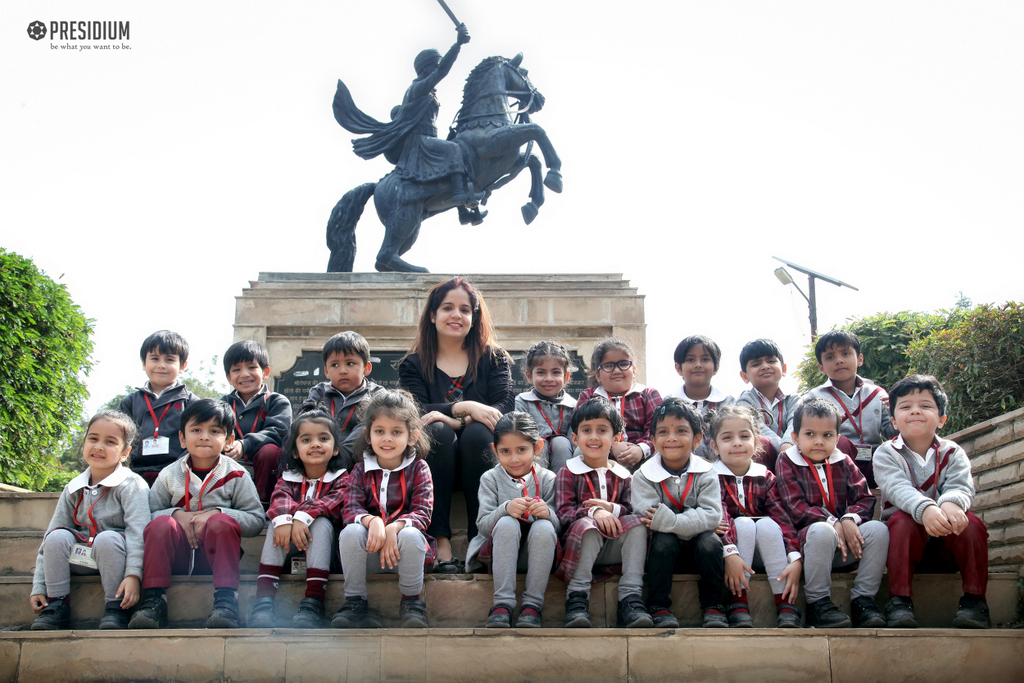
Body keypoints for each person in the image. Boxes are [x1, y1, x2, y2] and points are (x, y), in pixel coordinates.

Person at [398, 276, 514, 572]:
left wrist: (454, 417)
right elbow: (417, 410)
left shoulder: (495, 359)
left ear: (474, 318)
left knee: (477, 432)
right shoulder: (413, 364)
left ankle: (480, 536)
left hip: (481, 455)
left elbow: (504, 408)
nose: (456, 315)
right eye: (448, 307)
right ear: (433, 314)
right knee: (436, 431)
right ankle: (440, 538)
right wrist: (466, 406)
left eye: (465, 309)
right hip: (437, 459)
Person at [129, 399, 265, 630]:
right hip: (176, 558)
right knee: (161, 524)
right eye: (196, 430)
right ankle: (154, 600)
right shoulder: (168, 475)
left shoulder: (237, 475)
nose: (204, 437)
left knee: (221, 521)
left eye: (214, 431)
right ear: (182, 438)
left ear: (228, 440)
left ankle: (226, 601)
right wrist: (176, 514)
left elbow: (256, 519)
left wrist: (217, 513)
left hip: (215, 559)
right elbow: (147, 515)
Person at [874, 375, 990, 629]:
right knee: (902, 520)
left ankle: (974, 600)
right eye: (905, 406)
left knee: (971, 524)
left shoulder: (952, 452)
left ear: (942, 419)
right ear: (893, 420)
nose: (915, 410)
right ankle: (900, 600)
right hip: (904, 549)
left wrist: (951, 503)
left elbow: (961, 485)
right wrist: (926, 508)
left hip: (946, 548)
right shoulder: (886, 453)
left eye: (925, 406)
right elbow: (896, 488)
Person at [349, 23, 485, 225]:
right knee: (455, 151)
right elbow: (442, 72)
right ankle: (458, 195)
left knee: (456, 152)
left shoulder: (428, 92)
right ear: (426, 67)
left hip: (428, 137)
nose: (436, 68)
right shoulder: (417, 88)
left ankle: (463, 213)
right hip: (419, 143)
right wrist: (457, 45)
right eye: (434, 65)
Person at [30, 411, 150, 630]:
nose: (99, 447)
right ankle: (57, 605)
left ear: (125, 452)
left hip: (117, 560)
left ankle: (116, 607)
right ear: (84, 443)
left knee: (107, 539)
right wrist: (39, 585)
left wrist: (134, 575)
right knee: (56, 536)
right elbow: (49, 538)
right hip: (83, 558)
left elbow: (138, 534)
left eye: (110, 442)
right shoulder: (73, 487)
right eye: (93, 439)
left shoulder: (132, 485)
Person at [774, 398, 888, 628]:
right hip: (808, 545)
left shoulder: (843, 461)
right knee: (821, 530)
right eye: (810, 434)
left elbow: (865, 498)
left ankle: (863, 599)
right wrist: (831, 521)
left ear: (838, 438)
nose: (818, 441)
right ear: (795, 437)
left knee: (878, 529)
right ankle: (818, 602)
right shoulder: (787, 460)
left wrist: (848, 519)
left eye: (827, 435)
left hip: (844, 544)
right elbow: (794, 506)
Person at [333, 390, 434, 629]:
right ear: (368, 436)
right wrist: (372, 521)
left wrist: (394, 528)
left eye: (396, 432)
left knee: (410, 534)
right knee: (350, 532)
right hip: (369, 552)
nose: (387, 439)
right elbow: (349, 509)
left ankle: (411, 602)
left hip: (405, 556)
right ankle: (355, 601)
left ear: (412, 436)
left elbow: (422, 512)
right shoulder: (359, 470)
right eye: (379, 431)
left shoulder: (419, 468)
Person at [555, 397, 651, 628]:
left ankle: (630, 599)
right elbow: (562, 513)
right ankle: (577, 597)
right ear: (575, 438)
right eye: (586, 430)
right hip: (579, 548)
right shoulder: (568, 472)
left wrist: (613, 509)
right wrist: (594, 512)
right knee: (587, 527)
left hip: (615, 548)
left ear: (616, 438)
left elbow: (632, 507)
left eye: (602, 430)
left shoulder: (626, 476)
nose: (594, 437)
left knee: (638, 523)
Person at [248, 409, 348, 629]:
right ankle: (264, 601)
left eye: (323, 438)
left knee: (321, 523)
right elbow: (279, 500)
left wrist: (303, 515)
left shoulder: (342, 478)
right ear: (294, 451)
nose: (315, 444)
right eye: (306, 439)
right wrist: (286, 519)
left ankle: (313, 602)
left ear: (335, 449)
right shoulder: (287, 478)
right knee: (278, 523)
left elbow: (335, 502)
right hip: (290, 544)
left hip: (326, 550)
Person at [632, 398, 726, 628]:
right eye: (663, 432)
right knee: (664, 539)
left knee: (710, 541)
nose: (672, 438)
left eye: (681, 431)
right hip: (662, 552)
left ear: (697, 439)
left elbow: (713, 515)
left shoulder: (706, 473)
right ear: (653, 440)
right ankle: (658, 605)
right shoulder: (643, 475)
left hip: (699, 549)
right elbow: (651, 517)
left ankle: (714, 606)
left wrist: (671, 521)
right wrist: (693, 521)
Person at [708, 405, 803, 628]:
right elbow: (718, 518)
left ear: (757, 442)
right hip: (726, 555)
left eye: (744, 436)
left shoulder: (765, 476)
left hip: (766, 551)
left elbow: (782, 518)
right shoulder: (710, 477)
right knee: (742, 523)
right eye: (727, 437)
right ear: (714, 446)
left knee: (769, 524)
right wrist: (729, 551)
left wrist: (795, 556)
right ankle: (738, 603)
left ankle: (786, 604)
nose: (737, 443)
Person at [466, 412, 559, 628]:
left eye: (522, 450)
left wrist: (547, 513)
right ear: (494, 451)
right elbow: (483, 525)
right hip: (499, 553)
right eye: (505, 451)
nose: (514, 459)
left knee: (544, 526)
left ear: (537, 448)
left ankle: (532, 606)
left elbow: (559, 528)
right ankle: (502, 604)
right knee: (507, 522)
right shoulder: (490, 479)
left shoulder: (548, 479)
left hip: (537, 555)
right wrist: (505, 509)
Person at [801, 330, 897, 487]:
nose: (839, 360)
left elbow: (890, 433)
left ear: (859, 359)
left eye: (846, 354)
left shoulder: (877, 394)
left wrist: (897, 415)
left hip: (875, 461)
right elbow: (808, 434)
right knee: (841, 442)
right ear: (821, 368)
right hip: (837, 462)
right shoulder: (815, 397)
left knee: (893, 448)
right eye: (830, 357)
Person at [117, 330, 197, 484]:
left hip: (178, 473)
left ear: (182, 365)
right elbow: (119, 438)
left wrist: (180, 467)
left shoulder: (192, 403)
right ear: (143, 363)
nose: (161, 365)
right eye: (154, 358)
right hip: (133, 475)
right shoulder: (130, 402)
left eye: (169, 360)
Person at [220, 340, 292, 505]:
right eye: (236, 370)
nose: (244, 374)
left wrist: (245, 444)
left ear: (265, 372)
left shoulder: (277, 401)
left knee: (270, 452)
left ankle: (264, 503)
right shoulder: (222, 404)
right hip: (230, 461)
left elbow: (278, 433)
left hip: (263, 465)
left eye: (251, 367)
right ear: (229, 377)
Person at [574, 338, 662, 471]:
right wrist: (611, 446)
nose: (617, 371)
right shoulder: (589, 397)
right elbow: (579, 428)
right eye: (608, 366)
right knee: (579, 453)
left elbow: (657, 428)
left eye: (623, 364)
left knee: (662, 452)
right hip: (602, 454)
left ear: (634, 370)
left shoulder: (648, 395)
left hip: (643, 456)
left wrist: (641, 449)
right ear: (598, 375)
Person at [300, 331, 383, 469]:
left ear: (366, 368)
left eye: (350, 363)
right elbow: (305, 421)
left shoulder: (377, 395)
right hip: (321, 457)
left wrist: (341, 455)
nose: (342, 371)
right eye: (335, 365)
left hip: (360, 462)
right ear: (326, 371)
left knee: (371, 424)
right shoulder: (319, 392)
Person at [735, 338, 800, 471]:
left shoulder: (794, 399)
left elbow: (797, 422)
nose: (765, 366)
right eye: (756, 364)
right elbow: (758, 428)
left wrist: (788, 445)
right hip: (764, 460)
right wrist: (782, 449)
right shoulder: (744, 402)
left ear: (784, 369)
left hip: (794, 454)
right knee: (760, 443)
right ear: (744, 376)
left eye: (771, 361)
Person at [514, 340, 577, 474]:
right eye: (541, 372)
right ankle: (535, 488)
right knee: (538, 445)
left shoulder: (573, 406)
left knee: (561, 442)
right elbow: (520, 437)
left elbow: (575, 441)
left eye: (556, 372)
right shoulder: (522, 401)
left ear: (566, 376)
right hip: (532, 457)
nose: (549, 378)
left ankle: (563, 486)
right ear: (529, 376)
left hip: (564, 455)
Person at [666, 335, 734, 459]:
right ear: (678, 368)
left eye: (705, 359)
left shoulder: (728, 403)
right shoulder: (668, 404)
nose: (698, 365)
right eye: (690, 360)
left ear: (716, 366)